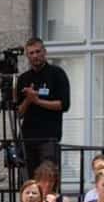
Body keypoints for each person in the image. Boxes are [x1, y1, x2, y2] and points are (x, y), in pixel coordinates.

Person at [16, 38, 69, 173]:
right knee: (27, 180)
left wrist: (37, 101)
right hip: (27, 138)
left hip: (49, 137)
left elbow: (63, 105)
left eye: (38, 51)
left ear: (44, 52)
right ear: (27, 56)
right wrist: (28, 100)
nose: (35, 56)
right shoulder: (23, 79)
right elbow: (18, 114)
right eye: (31, 53)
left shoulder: (57, 73)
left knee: (48, 177)